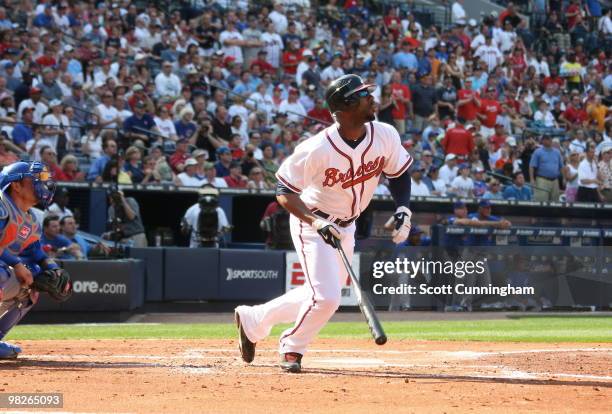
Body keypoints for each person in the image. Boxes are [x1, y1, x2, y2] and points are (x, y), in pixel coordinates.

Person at [234, 75, 413, 373]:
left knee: (318, 294)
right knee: (327, 297)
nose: (371, 97)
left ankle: (253, 320)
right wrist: (315, 222)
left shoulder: (385, 134)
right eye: (363, 94)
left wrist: (404, 207)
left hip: (348, 226)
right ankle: (292, 347)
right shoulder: (317, 148)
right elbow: (284, 193)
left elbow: (398, 175)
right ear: (344, 107)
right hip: (313, 224)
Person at [0, 161, 70, 359]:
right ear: (16, 185)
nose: (43, 184)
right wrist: (16, 264)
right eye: (36, 180)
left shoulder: (30, 219)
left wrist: (54, 269)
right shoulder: (1, 204)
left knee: (33, 284)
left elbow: (34, 251)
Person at [529, 134, 563, 202]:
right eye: (547, 139)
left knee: (555, 202)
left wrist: (564, 178)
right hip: (542, 179)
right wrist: (532, 179)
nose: (549, 141)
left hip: (555, 180)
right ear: (543, 141)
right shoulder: (538, 152)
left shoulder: (557, 152)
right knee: (541, 201)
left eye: (550, 139)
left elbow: (561, 166)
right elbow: (532, 166)